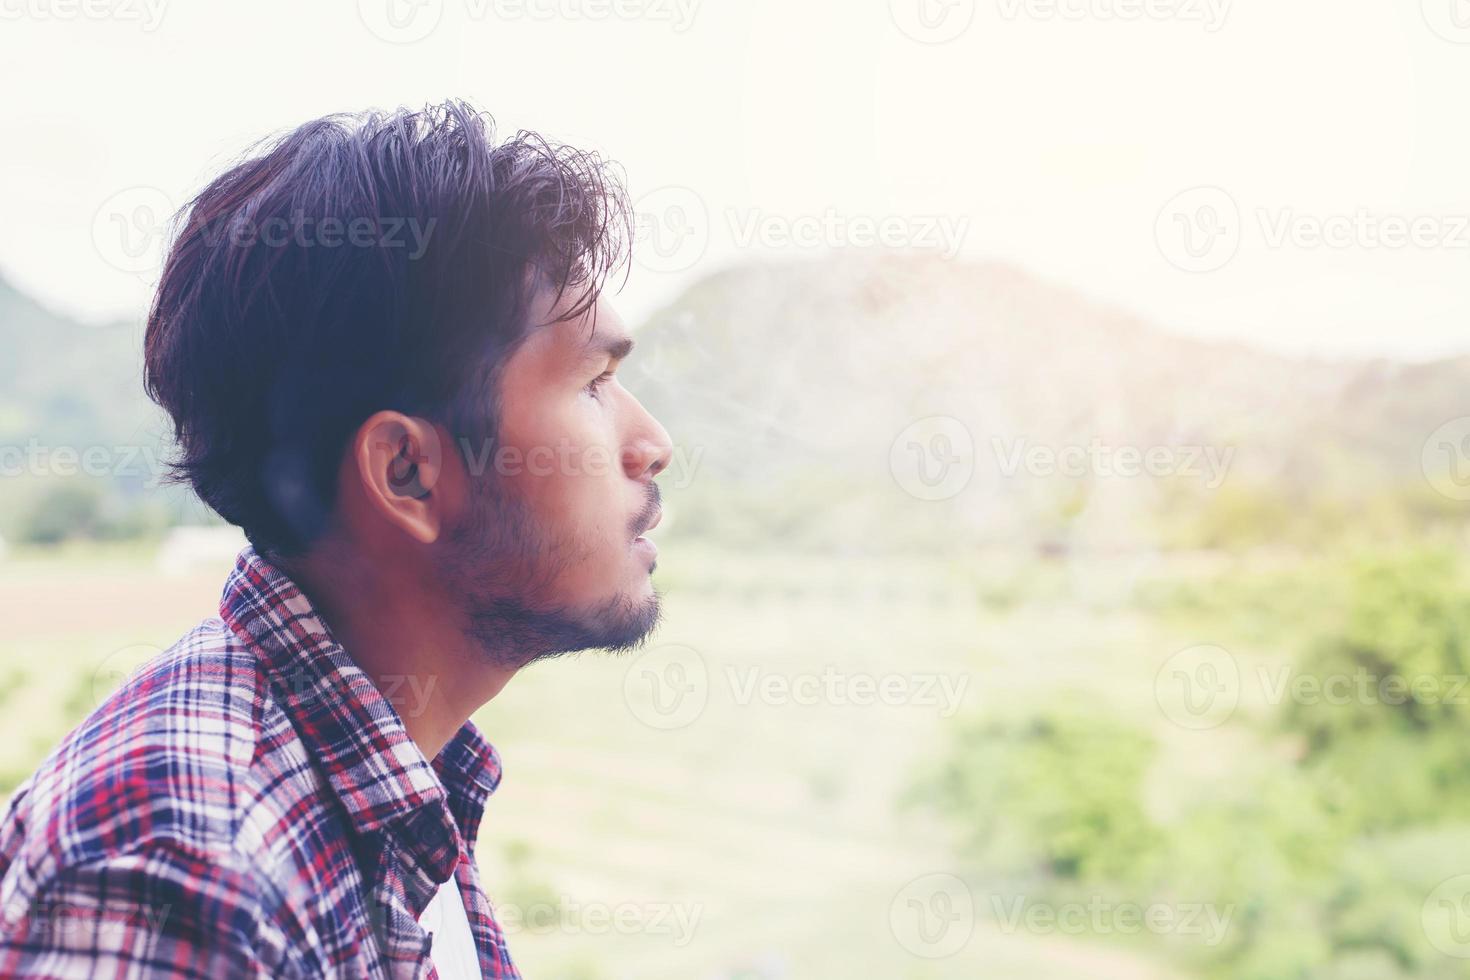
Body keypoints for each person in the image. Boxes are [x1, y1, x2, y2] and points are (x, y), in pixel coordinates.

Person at [0, 100, 674, 979]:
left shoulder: (395, 775)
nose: (652, 442)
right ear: (406, 474)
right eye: (593, 384)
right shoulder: (185, 877)